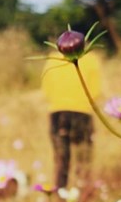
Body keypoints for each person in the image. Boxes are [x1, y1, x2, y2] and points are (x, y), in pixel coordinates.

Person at [42, 48, 102, 191]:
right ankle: (83, 192)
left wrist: (60, 100)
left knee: (61, 159)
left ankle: (60, 193)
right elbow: (96, 91)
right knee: (84, 158)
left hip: (58, 111)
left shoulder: (52, 59)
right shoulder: (91, 58)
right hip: (82, 112)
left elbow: (46, 89)